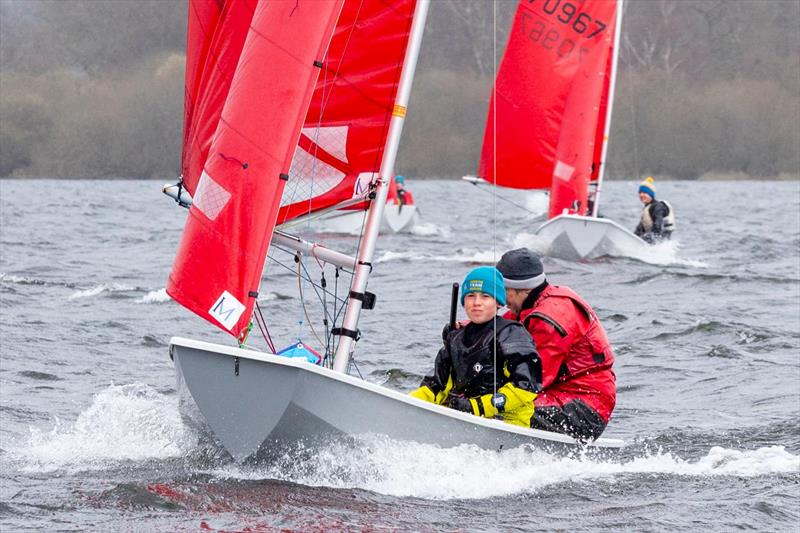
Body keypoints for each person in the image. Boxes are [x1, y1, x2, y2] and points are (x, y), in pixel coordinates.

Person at [496, 248, 616, 440]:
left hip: (585, 407)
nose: (500, 301)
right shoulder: (531, 304)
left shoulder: (549, 319)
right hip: (559, 395)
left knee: (500, 407)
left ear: (523, 290)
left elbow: (531, 382)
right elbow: (498, 327)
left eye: (503, 292)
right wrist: (465, 330)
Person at [409, 266, 542, 427]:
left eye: (485, 296)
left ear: (498, 302)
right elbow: (436, 386)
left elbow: (526, 387)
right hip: (467, 419)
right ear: (463, 302)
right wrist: (408, 404)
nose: (477, 303)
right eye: (471, 296)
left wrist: (476, 407)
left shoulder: (512, 334)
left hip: (509, 425)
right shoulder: (455, 338)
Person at [634, 176, 675, 243]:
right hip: (651, 239)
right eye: (640, 193)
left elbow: (658, 226)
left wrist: (647, 238)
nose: (641, 195)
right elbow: (640, 228)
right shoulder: (647, 208)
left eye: (644, 193)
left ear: (651, 195)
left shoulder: (657, 207)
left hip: (660, 241)